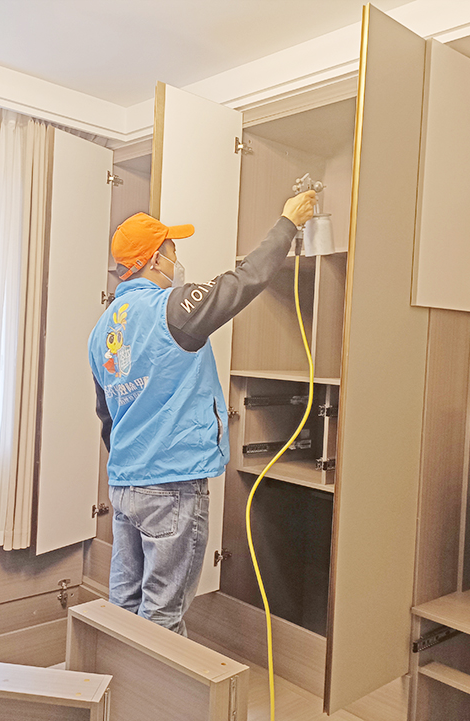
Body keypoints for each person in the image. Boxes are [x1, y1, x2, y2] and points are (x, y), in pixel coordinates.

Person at [88, 190, 317, 634]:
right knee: (162, 617)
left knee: (124, 607)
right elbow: (245, 280)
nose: (177, 261)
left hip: (125, 485)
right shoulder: (172, 310)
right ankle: (160, 684)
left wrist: (134, 464)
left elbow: (107, 416)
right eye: (173, 251)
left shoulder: (103, 328)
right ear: (156, 260)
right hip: (171, 485)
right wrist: (288, 223)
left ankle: (115, 679)